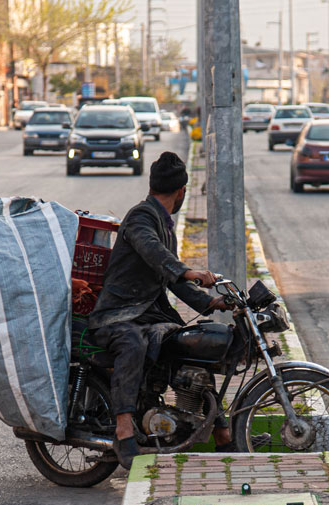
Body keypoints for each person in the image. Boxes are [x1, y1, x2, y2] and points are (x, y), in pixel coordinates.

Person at [89, 151, 232, 469]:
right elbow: (152, 252)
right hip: (118, 315)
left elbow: (173, 279)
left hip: (148, 314)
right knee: (133, 342)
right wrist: (189, 271)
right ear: (181, 192)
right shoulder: (141, 217)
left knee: (196, 345)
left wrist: (211, 303)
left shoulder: (164, 225)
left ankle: (222, 433)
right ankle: (123, 430)